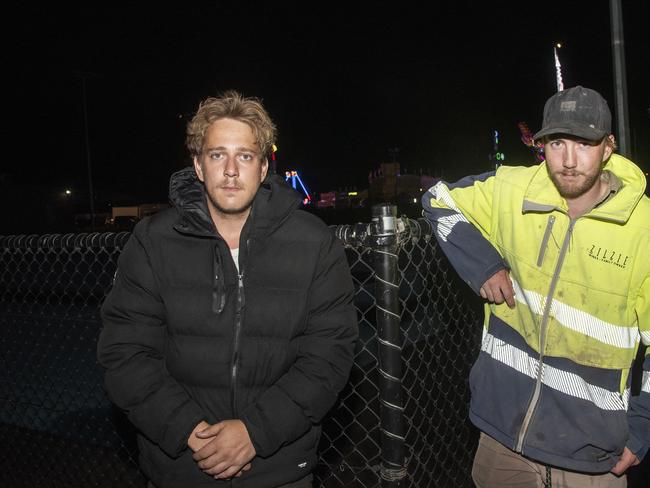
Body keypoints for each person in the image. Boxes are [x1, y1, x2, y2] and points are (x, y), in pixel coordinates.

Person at [97, 90, 358, 487]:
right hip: (179, 468)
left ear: (263, 167)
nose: (232, 170)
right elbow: (124, 353)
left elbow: (329, 355)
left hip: (278, 469)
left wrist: (256, 431)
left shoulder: (314, 243)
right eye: (218, 154)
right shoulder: (152, 242)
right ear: (198, 166)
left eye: (246, 156)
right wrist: (190, 431)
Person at [422, 85, 649, 487]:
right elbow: (438, 199)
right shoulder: (513, 189)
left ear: (608, 147)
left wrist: (643, 428)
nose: (569, 160)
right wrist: (483, 265)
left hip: (591, 452)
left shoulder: (643, 228)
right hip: (501, 438)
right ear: (541, 145)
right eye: (558, 143)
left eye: (584, 144)